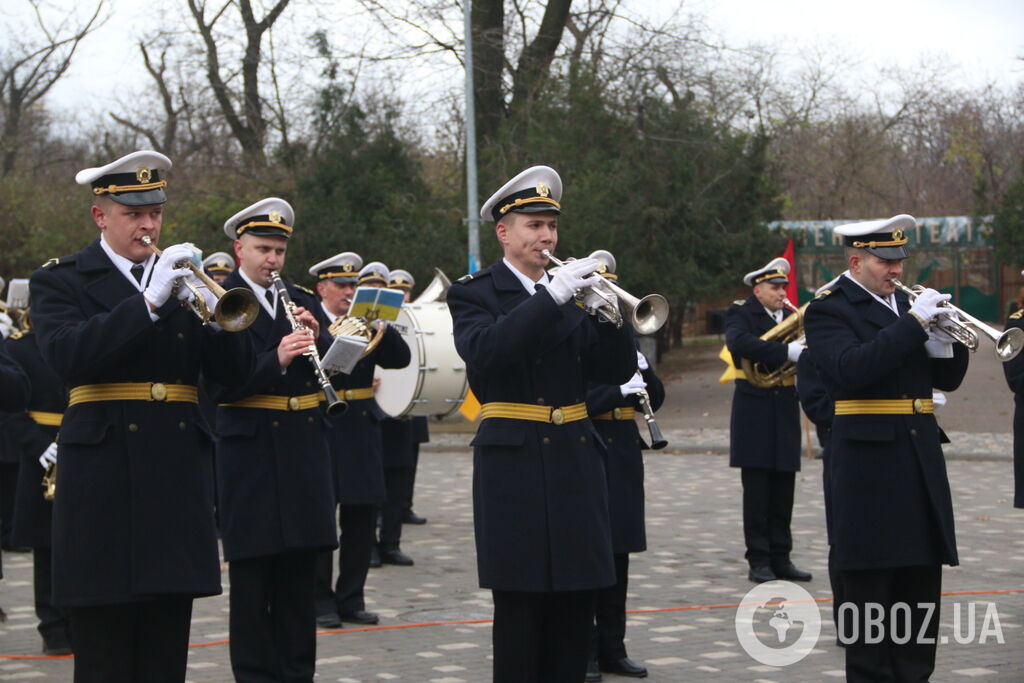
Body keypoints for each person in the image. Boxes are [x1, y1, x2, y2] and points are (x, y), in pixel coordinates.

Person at [28, 150, 257, 682]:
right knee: (105, 650)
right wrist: (147, 305)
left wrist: (224, 329)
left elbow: (236, 378)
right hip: (101, 478)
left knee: (164, 647)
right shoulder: (61, 280)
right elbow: (66, 354)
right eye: (133, 213)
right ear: (100, 216)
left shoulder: (183, 280)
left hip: (173, 476)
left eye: (155, 212)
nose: (148, 224)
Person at [447, 165, 636, 683]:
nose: (547, 236)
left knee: (577, 603)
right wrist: (552, 298)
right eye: (533, 224)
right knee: (522, 610)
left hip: (576, 459)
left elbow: (615, 371)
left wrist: (614, 318)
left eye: (551, 224)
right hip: (516, 463)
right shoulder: (475, 293)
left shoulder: (574, 291)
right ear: (504, 232)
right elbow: (489, 353)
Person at [804, 214, 969, 681]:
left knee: (919, 612)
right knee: (871, 616)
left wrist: (944, 341)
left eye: (900, 261)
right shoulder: (830, 309)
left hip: (919, 464)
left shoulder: (904, 308)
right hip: (868, 472)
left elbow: (946, 381)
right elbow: (850, 370)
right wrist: (915, 325)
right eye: (884, 262)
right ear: (856, 262)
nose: (896, 271)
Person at [206, 197, 339, 681]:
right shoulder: (220, 299)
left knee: (299, 579)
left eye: (280, 251)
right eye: (263, 249)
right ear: (238, 249)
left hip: (304, 451)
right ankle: (256, 674)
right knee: (254, 579)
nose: (273, 260)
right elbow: (219, 384)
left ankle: (298, 672)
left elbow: (331, 373)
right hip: (251, 455)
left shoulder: (297, 298)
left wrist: (320, 338)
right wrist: (277, 358)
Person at [310, 253, 410, 628]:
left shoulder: (367, 323)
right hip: (322, 423)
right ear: (323, 288)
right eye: (341, 286)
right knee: (322, 519)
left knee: (362, 516)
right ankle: (320, 601)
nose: (349, 292)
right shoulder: (310, 319)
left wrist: (384, 325)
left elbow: (400, 359)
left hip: (362, 425)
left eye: (353, 286)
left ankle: (352, 598)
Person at [583, 252, 663, 683]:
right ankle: (586, 651)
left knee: (620, 553)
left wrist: (645, 378)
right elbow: (574, 400)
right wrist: (617, 391)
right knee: (592, 554)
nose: (610, 301)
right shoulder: (575, 333)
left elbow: (659, 397)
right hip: (589, 442)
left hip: (624, 449)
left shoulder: (625, 338)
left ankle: (615, 646)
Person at [725, 257, 811, 584]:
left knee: (783, 490)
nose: (781, 293)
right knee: (758, 490)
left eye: (783, 288)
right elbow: (739, 344)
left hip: (785, 406)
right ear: (757, 289)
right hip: (755, 409)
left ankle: (782, 557)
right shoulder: (741, 313)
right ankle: (758, 560)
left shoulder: (792, 316)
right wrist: (785, 354)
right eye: (775, 288)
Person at [5, 313, 73, 655]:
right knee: (46, 544)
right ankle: (53, 625)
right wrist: (37, 444)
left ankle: (81, 619)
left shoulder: (79, 338)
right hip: (43, 449)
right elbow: (8, 410)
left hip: (84, 441)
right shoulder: (19, 348)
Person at [378, 268, 428, 565]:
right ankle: (371, 543)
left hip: (402, 408)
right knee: (371, 484)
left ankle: (390, 542)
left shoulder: (409, 320)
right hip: (371, 412)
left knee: (398, 477)